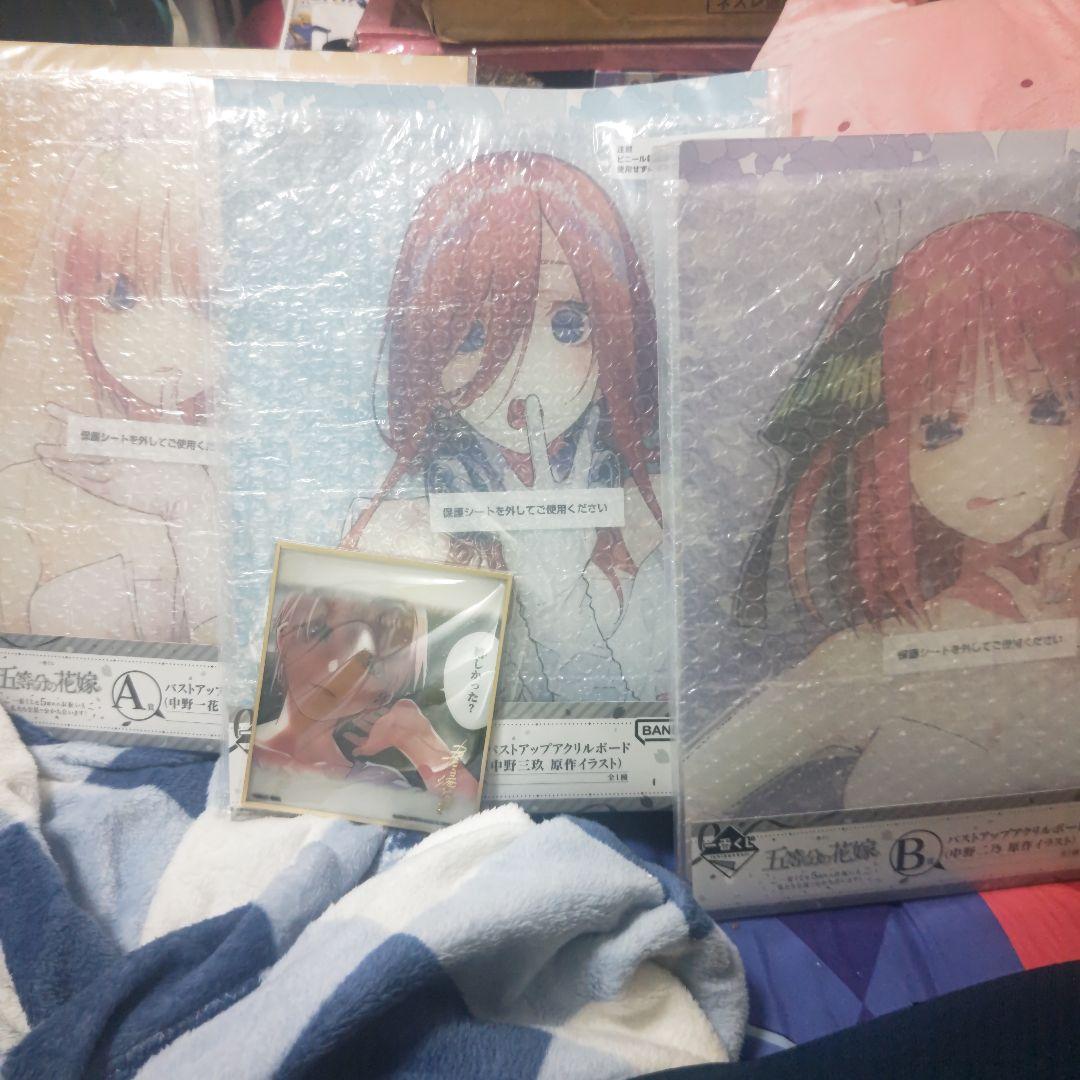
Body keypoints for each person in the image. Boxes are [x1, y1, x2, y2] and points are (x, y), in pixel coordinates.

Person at [686, 212, 1080, 816]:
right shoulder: (867, 660)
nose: (996, 461)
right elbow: (695, 795)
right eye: (941, 427)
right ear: (889, 449)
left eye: (1047, 408)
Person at [342, 151, 666, 702]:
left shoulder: (655, 525)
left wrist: (560, 602)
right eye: (472, 333)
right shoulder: (395, 533)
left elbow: (651, 733)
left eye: (568, 324)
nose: (522, 373)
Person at [0, 140, 216, 644]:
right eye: (122, 296)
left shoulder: (257, 482)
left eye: (208, 302)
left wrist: (193, 503)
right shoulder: (28, 490)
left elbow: (259, 671)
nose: (167, 339)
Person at [251, 589, 478, 801]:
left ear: (380, 697)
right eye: (319, 632)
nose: (335, 669)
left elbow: (464, 817)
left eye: (369, 665)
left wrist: (420, 741)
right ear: (284, 638)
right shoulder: (242, 748)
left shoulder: (378, 784)